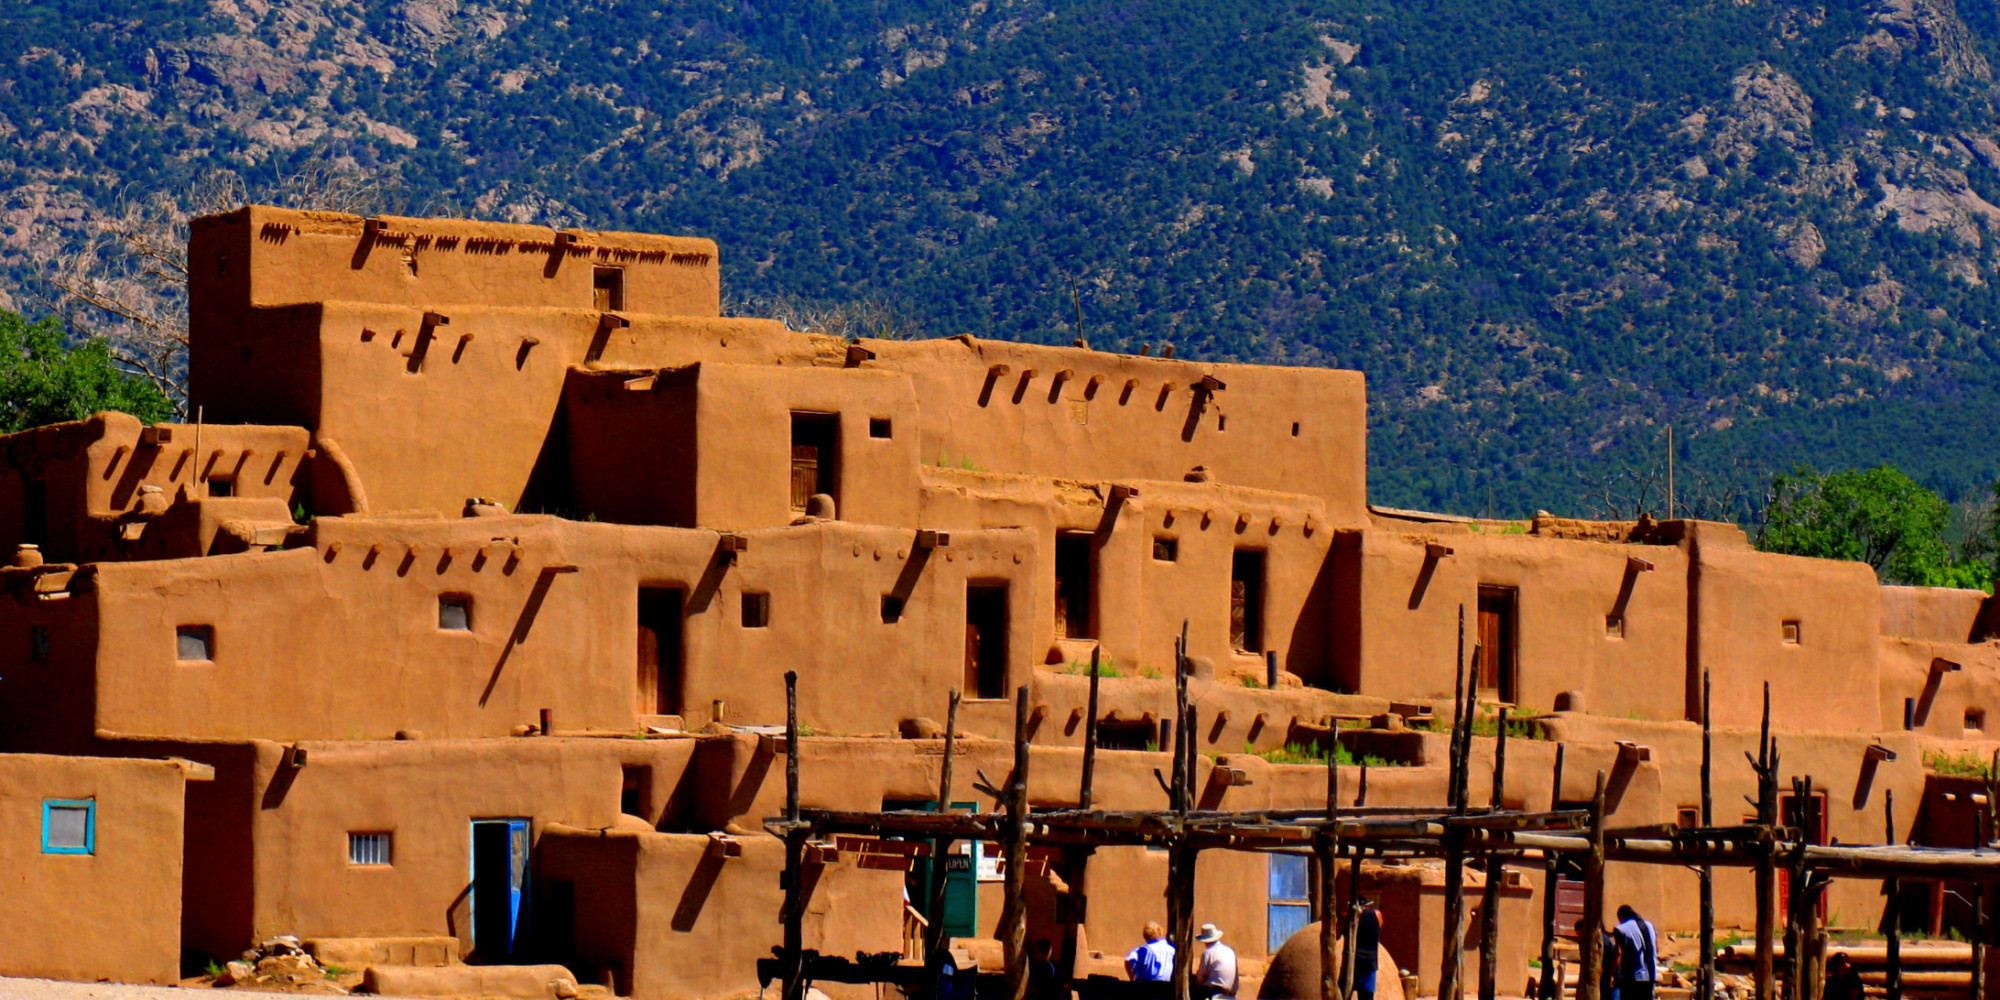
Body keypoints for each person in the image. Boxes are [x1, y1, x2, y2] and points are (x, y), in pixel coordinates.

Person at [1613, 906, 1658, 1000]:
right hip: (1651, 974)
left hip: (1632, 977)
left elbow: (1619, 953)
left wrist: (1613, 973)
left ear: (1621, 916)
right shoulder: (1650, 925)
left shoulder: (1621, 929)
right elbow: (1657, 948)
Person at [1193, 924, 1238, 1000]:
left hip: (1214, 995)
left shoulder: (1208, 953)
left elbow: (1200, 980)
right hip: (1230, 996)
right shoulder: (1230, 951)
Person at [1349, 899, 1383, 1000]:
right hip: (1369, 962)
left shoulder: (1363, 918)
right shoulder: (1373, 915)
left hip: (1359, 962)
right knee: (1367, 995)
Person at [1575, 919, 1617, 1000]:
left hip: (1608, 973)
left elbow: (1612, 956)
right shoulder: (1589, 941)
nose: (1579, 937)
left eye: (1579, 934)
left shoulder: (1599, 940)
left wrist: (1610, 973)